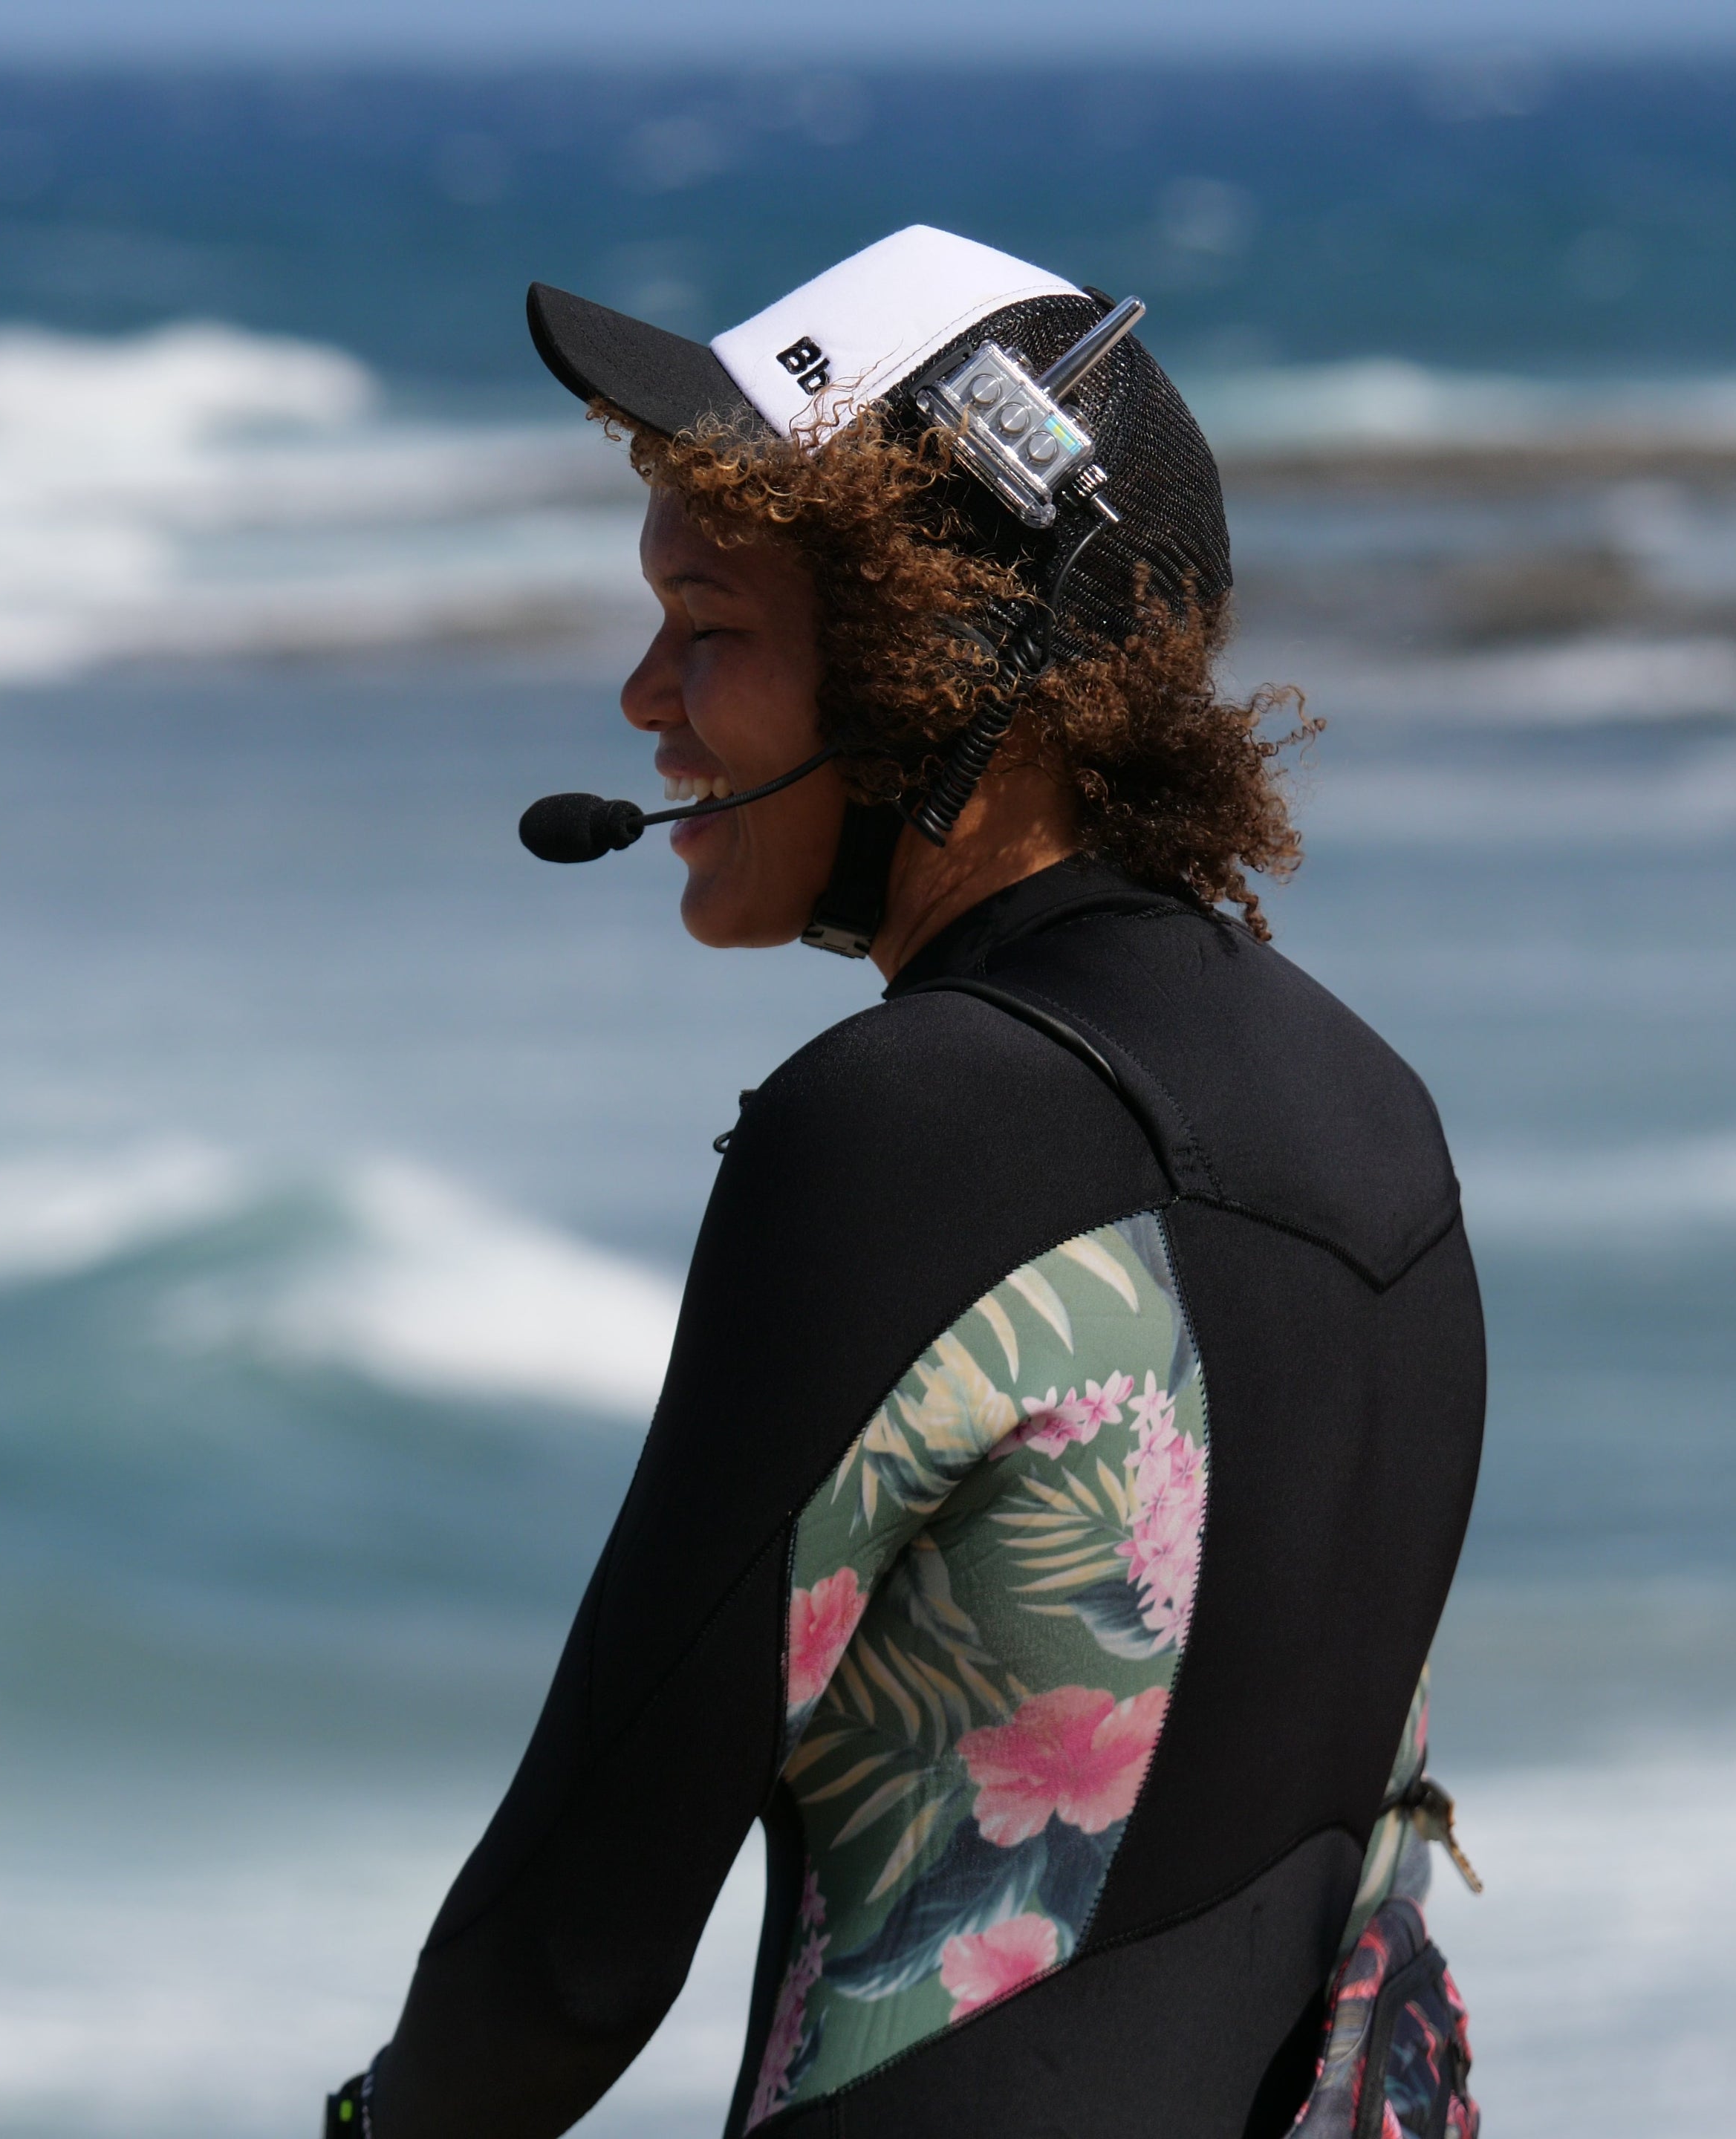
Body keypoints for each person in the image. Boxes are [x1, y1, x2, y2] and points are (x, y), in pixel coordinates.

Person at [328, 227, 1486, 2139]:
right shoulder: (1377, 1112)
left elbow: (567, 1956)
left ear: (944, 665)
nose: (642, 698)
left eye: (709, 626)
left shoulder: (919, 1131)